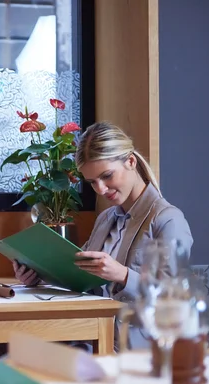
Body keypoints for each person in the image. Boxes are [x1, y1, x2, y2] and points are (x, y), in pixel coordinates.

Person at [14, 121, 193, 350]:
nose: (100, 189)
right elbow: (82, 280)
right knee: (10, 353)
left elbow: (173, 300)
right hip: (92, 342)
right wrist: (39, 275)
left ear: (130, 161)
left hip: (137, 354)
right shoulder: (106, 219)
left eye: (107, 176)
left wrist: (123, 275)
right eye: (92, 182)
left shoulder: (168, 219)